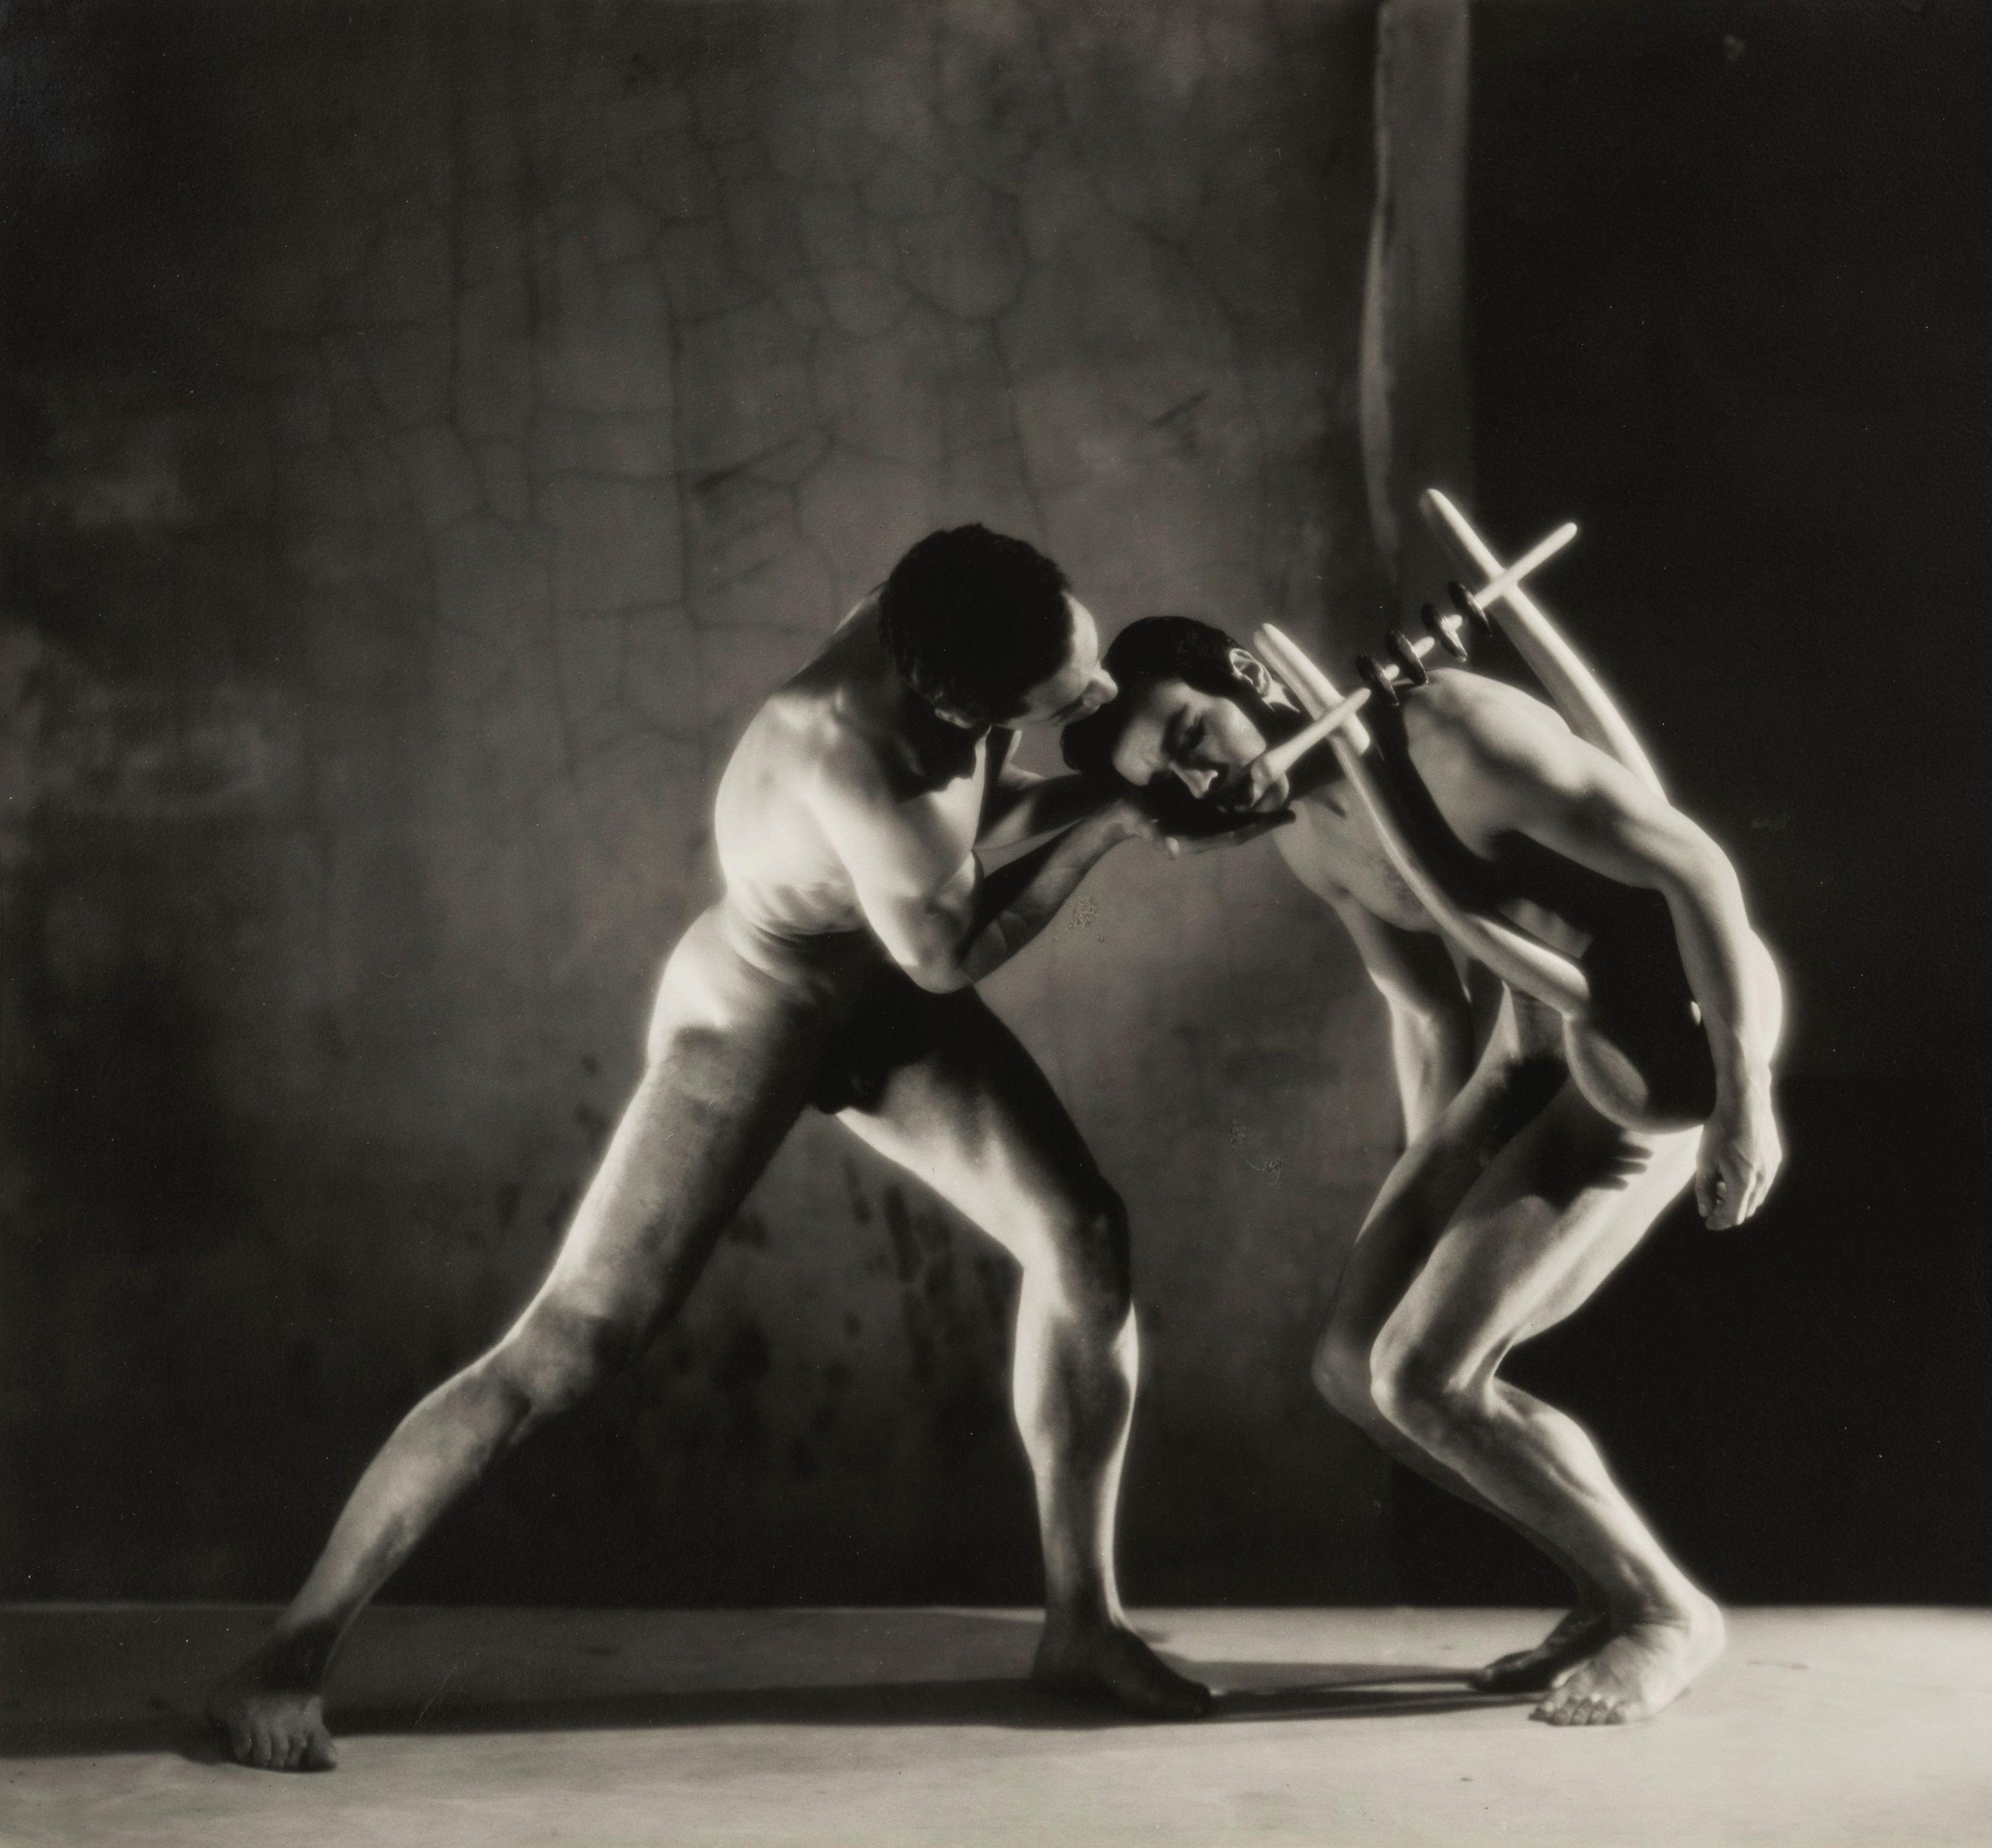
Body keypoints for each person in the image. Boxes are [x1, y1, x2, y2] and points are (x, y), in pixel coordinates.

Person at [210, 526, 1266, 1770]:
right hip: (756, 1012)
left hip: (876, 978)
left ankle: (1083, 1625)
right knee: (572, 1346)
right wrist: (1114, 828)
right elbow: (951, 941)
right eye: (1059, 701)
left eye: (1085, 668)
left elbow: (962, 840)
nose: (1091, 701)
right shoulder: (850, 756)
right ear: (946, 697)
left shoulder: (943, 608)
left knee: (1083, 1235)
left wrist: (1135, 776)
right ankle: (285, 1653)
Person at [1063, 609, 1785, 1726]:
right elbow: (1423, 1010)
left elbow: (1696, 871)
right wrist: (1432, 1174)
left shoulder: (1457, 734)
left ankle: (1664, 1614)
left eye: (1193, 734)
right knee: (1357, 1368)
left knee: (1422, 1374)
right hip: (1538, 1044)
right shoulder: (1307, 832)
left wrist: (1746, 1099)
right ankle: (1602, 1592)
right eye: (1169, 778)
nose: (1201, 782)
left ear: (1248, 677)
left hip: (1662, 1039)